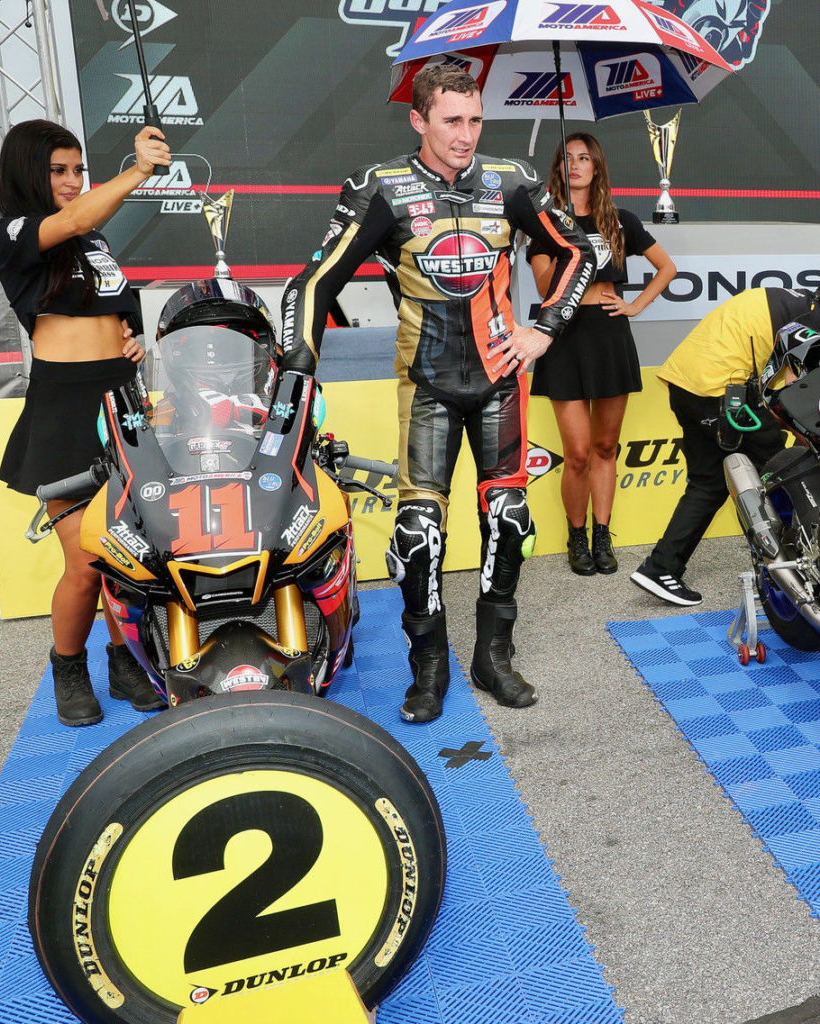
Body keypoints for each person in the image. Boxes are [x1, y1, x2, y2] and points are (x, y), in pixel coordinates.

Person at [280, 66, 595, 723]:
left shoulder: (510, 181)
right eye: (451, 120)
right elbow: (311, 284)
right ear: (419, 120)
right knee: (419, 534)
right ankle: (428, 669)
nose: (465, 134)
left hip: (500, 380)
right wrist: (297, 367)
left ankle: (493, 657)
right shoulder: (381, 189)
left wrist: (542, 329)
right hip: (425, 385)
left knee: (508, 521)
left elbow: (578, 254)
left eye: (474, 120)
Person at [0, 119, 171, 726]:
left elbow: (112, 307)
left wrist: (132, 340)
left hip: (120, 397)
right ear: (28, 175)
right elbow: (70, 222)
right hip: (64, 409)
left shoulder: (95, 243)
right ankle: (68, 666)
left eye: (76, 171)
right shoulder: (13, 231)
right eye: (57, 171)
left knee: (131, 549)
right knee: (87, 559)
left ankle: (126, 661)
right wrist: (139, 170)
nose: (71, 182)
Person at [527, 133, 676, 576]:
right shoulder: (546, 222)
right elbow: (543, 288)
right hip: (566, 337)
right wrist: (563, 238)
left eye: (584, 158)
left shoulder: (621, 219)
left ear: (596, 167)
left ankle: (601, 534)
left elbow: (666, 268)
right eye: (568, 158)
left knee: (606, 446)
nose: (576, 165)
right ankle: (576, 537)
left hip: (610, 335)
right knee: (576, 453)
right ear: (559, 167)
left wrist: (634, 305)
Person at [630, 286, 818, 605]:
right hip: (720, 390)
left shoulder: (795, 300)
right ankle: (798, 570)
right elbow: (799, 396)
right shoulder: (811, 317)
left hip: (686, 382)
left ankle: (660, 567)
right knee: (784, 466)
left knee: (709, 482)